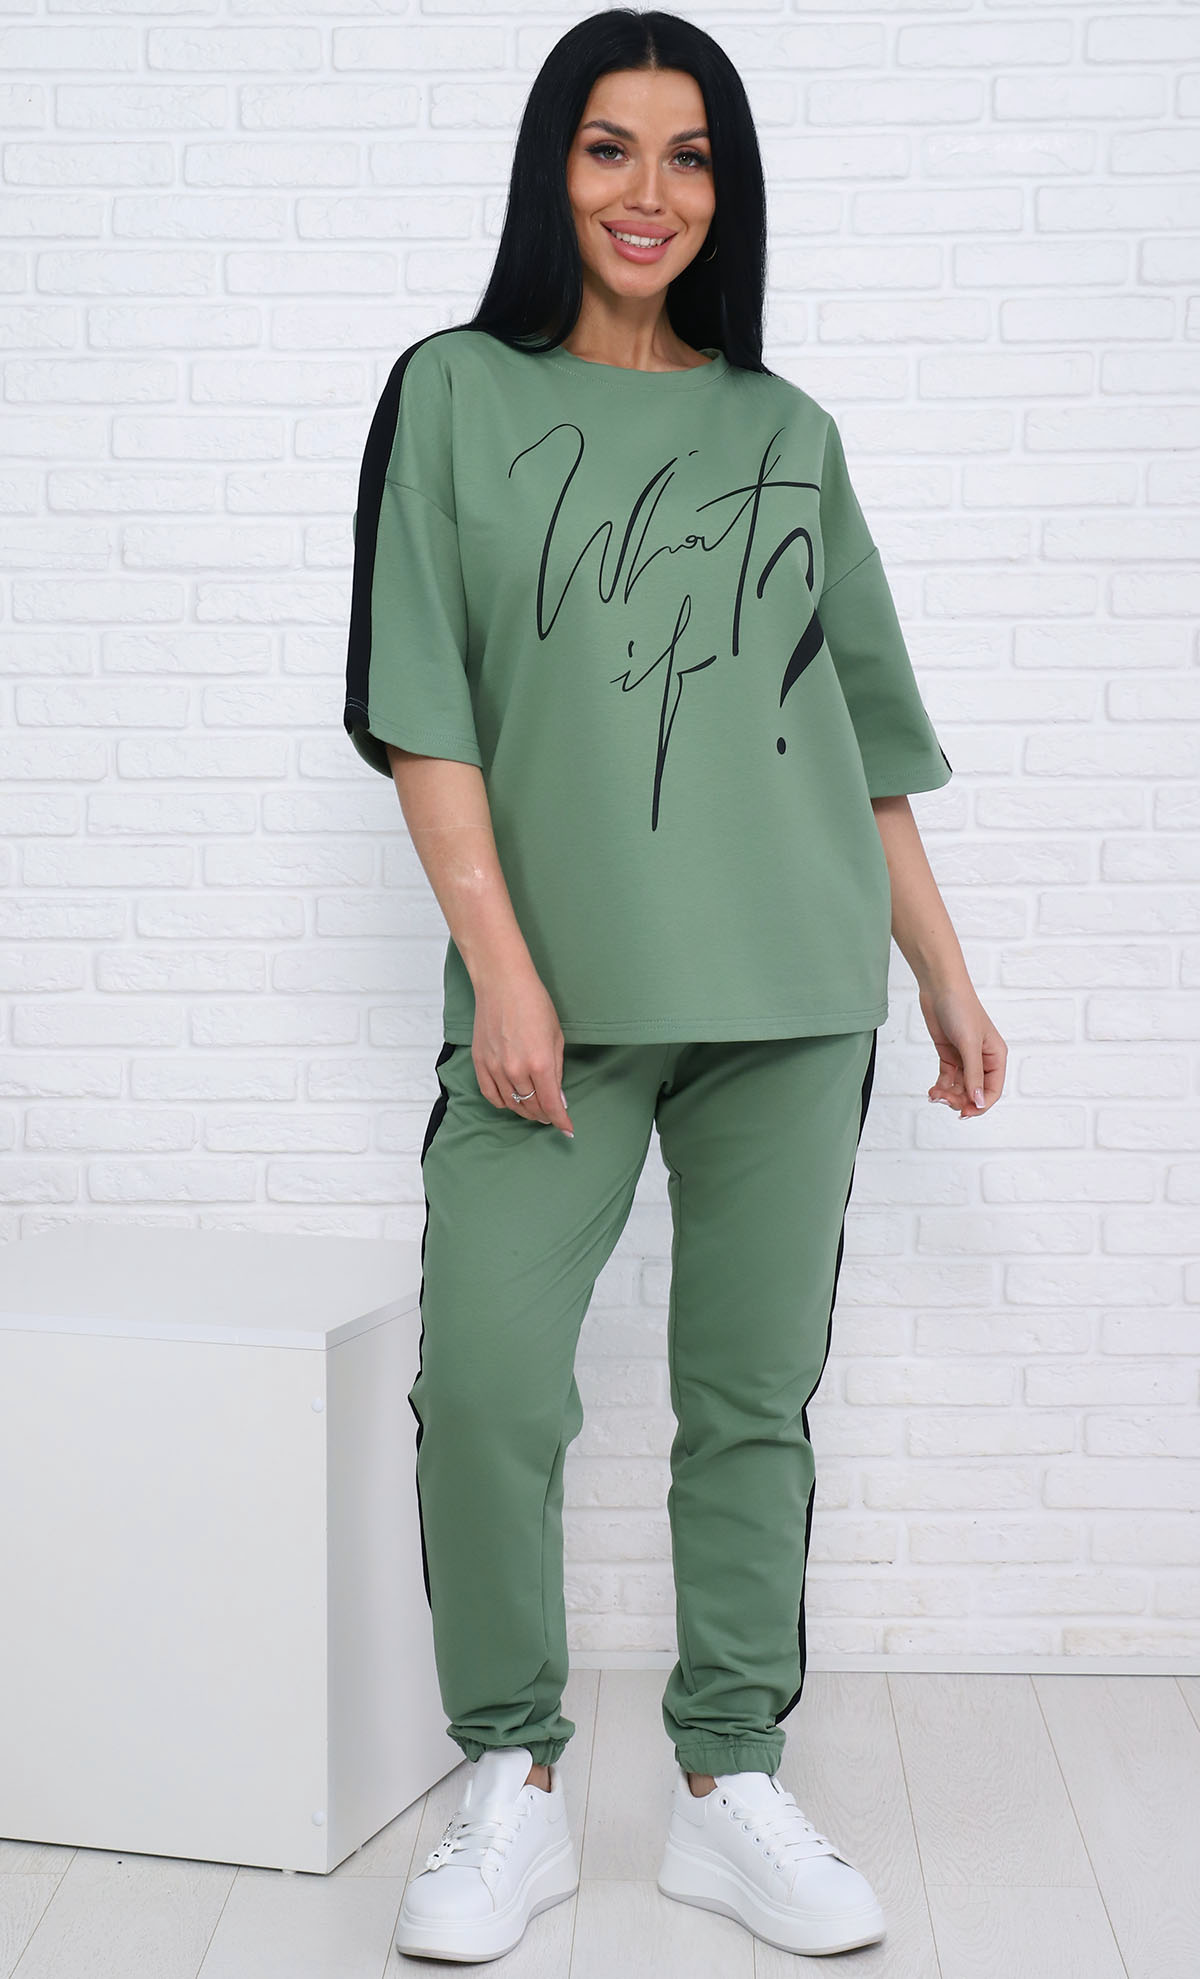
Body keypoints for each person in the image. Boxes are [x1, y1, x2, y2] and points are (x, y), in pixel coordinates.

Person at [344, 8, 1006, 1964]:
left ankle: (729, 1787)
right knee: (488, 1388)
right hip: (552, 1006)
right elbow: (424, 710)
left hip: (794, 991)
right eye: (610, 146)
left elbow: (863, 739)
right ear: (551, 170)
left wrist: (944, 972)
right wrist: (504, 974)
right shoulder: (453, 393)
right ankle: (513, 1779)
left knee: (749, 1404)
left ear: (730, 189)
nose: (652, 191)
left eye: (691, 154)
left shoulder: (785, 434)